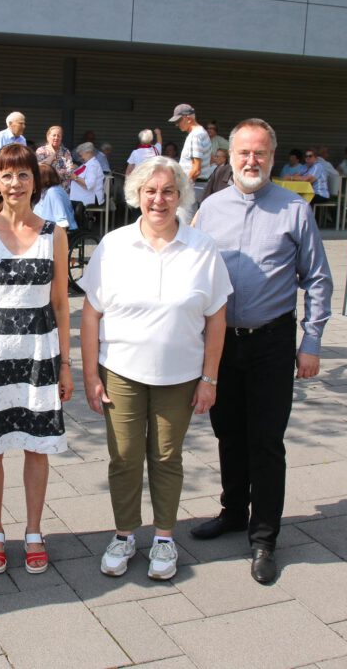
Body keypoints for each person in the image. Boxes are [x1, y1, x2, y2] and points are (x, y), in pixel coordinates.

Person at [192, 118, 333, 585]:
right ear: (228, 157)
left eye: (260, 153)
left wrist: (310, 344)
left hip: (272, 343)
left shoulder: (294, 209)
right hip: (220, 345)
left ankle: (265, 537)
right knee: (227, 432)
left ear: (272, 157)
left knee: (266, 441)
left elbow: (317, 280)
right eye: (243, 153)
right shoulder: (209, 209)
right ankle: (233, 511)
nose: (251, 161)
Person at [80, 155, 230, 581]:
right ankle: (125, 534)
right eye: (150, 191)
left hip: (180, 377)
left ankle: (164, 538)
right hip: (121, 372)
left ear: (180, 195)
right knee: (124, 457)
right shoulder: (114, 245)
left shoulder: (202, 248)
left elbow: (217, 317)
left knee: (166, 457)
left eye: (168, 191)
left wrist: (209, 378)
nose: (158, 200)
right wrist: (91, 375)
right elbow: (90, 314)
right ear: (137, 196)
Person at [0, 143, 73, 575]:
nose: (15, 183)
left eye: (24, 174)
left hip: (39, 356)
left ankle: (34, 531)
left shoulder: (54, 234)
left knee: (36, 449)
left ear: (35, 182)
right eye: (7, 175)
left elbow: (61, 304)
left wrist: (65, 364)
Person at [169, 104, 213, 185]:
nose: (176, 125)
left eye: (178, 121)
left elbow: (196, 170)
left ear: (188, 119)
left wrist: (184, 188)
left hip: (195, 186)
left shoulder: (195, 135)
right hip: (198, 184)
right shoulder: (201, 132)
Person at [34, 163, 77, 230]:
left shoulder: (53, 192)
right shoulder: (44, 190)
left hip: (50, 231)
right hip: (40, 226)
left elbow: (62, 221)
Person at [70, 142, 105, 206]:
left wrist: (75, 177)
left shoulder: (93, 165)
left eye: (81, 155)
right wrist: (77, 168)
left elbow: (89, 184)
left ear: (88, 152)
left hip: (91, 197)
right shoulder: (87, 163)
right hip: (84, 195)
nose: (80, 158)